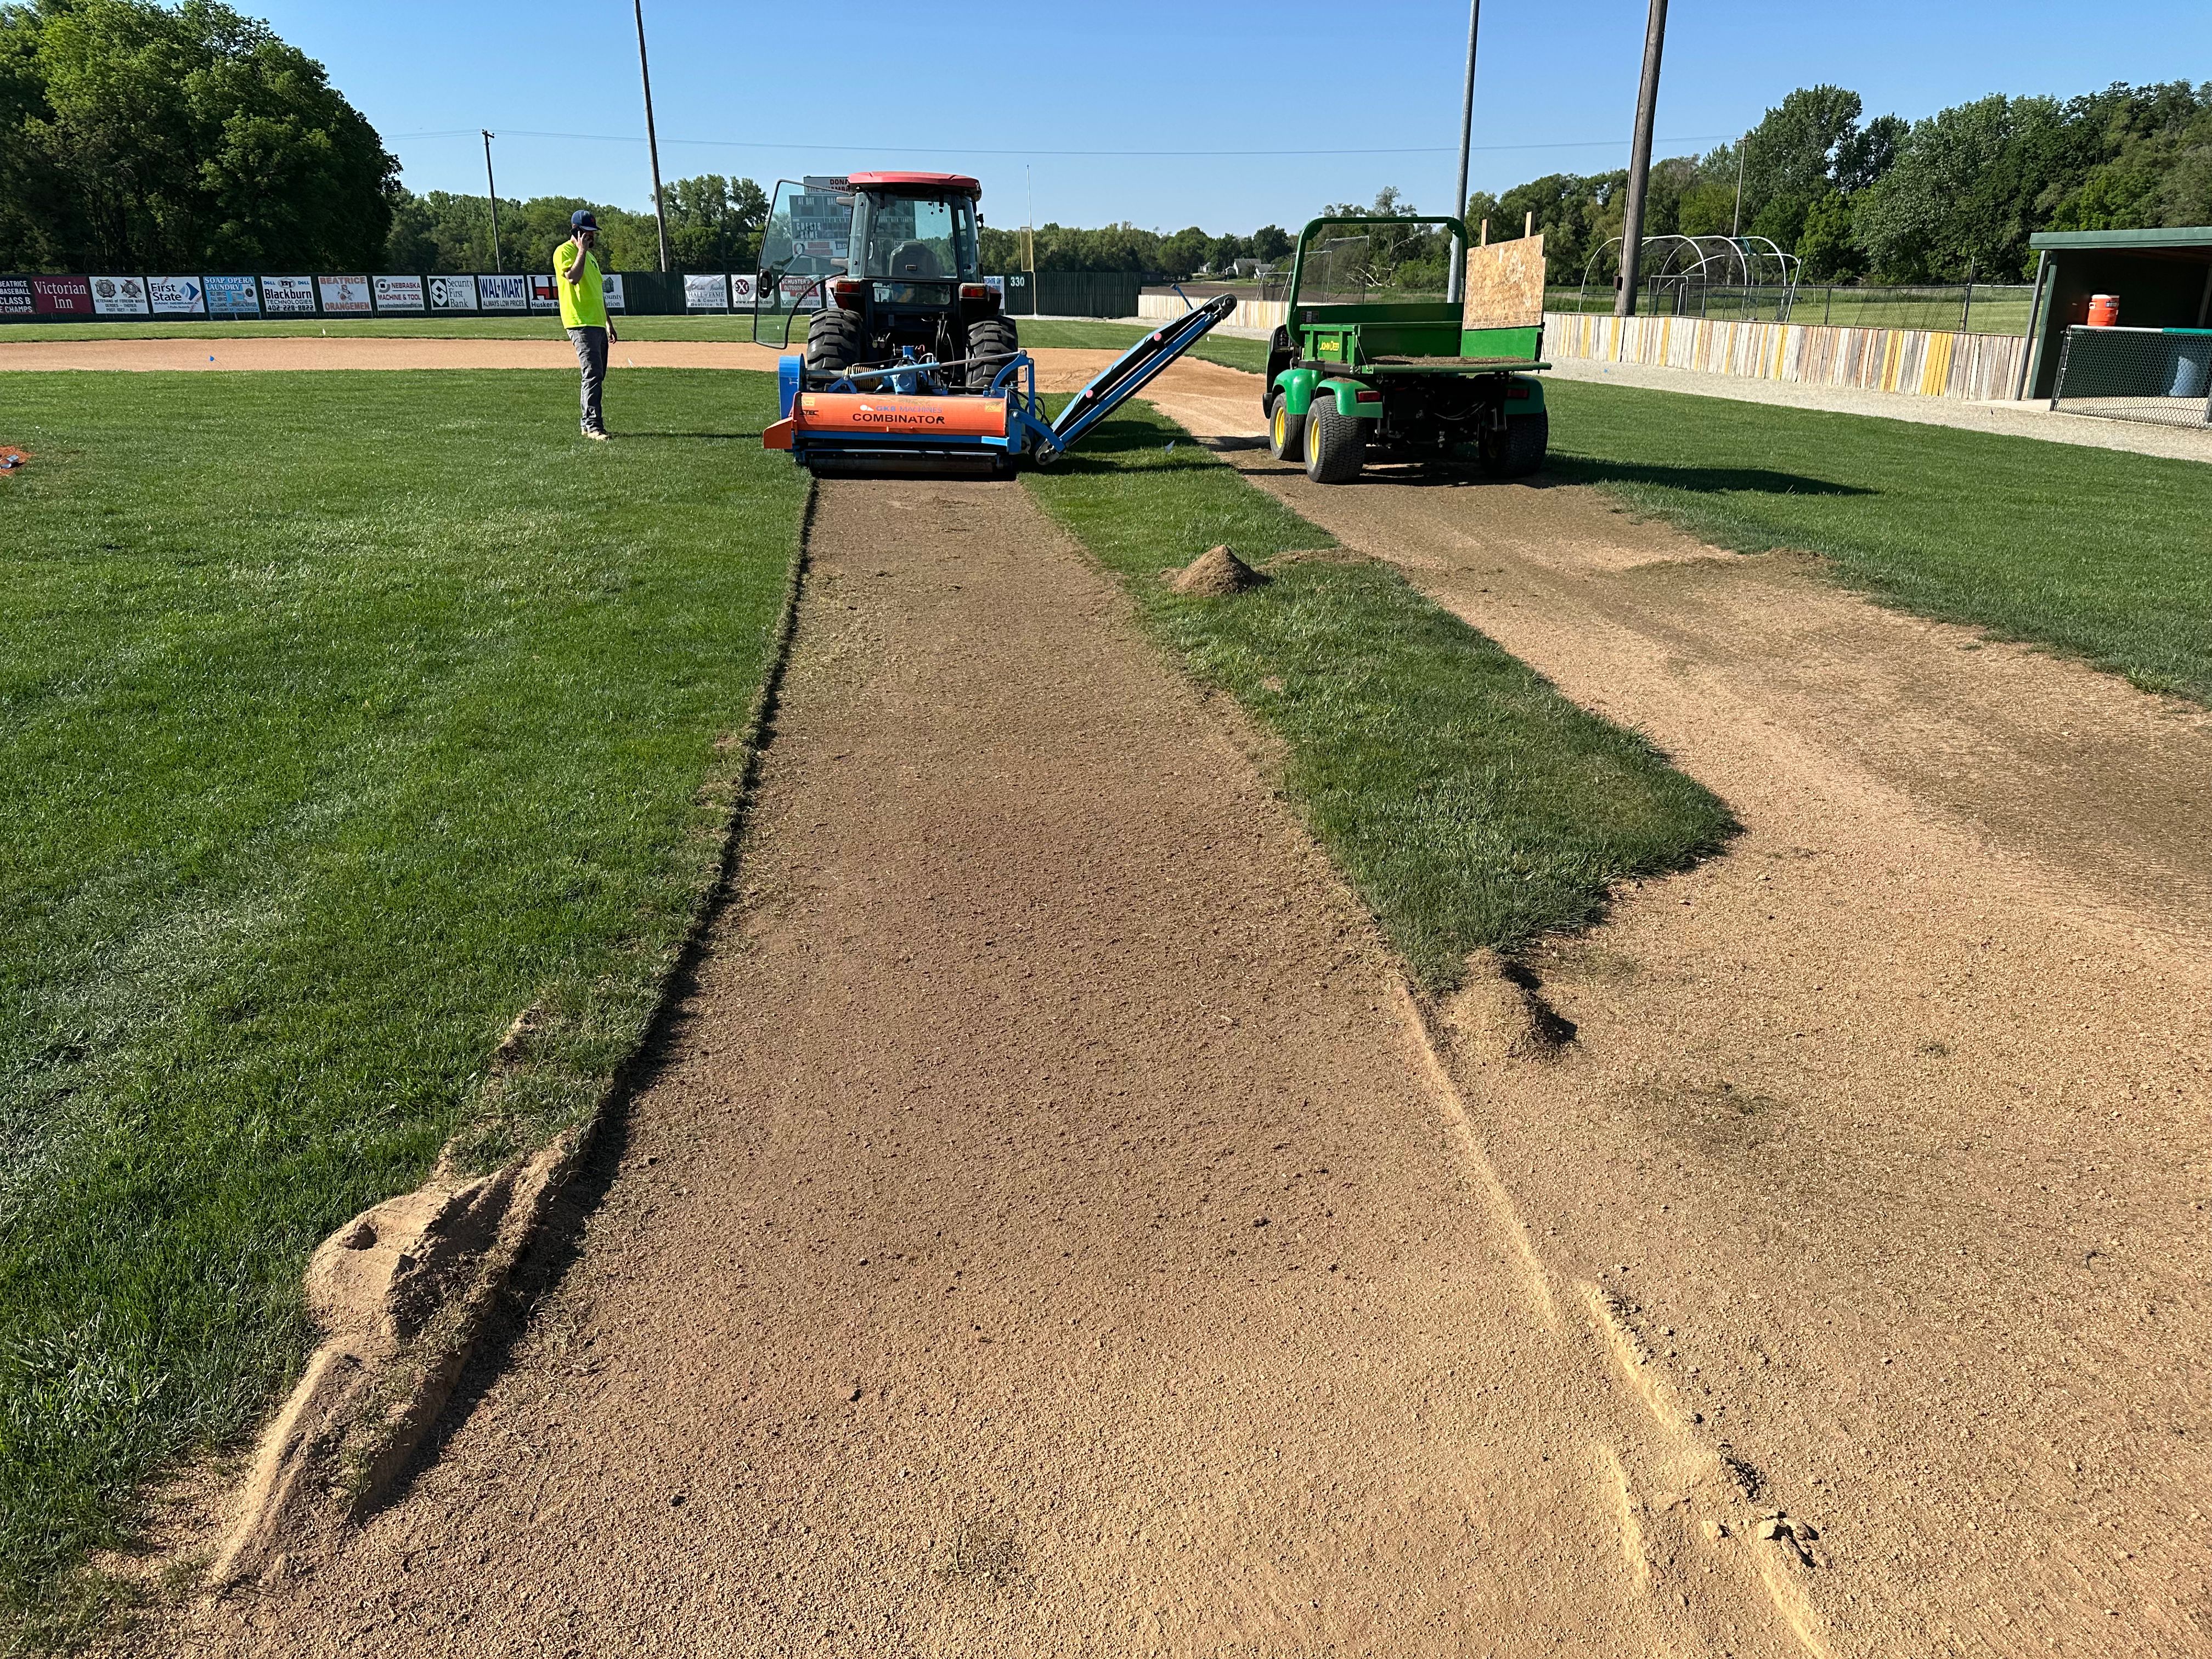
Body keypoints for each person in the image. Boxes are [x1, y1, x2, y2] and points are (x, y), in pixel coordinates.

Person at [555, 209, 617, 441]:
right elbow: (573, 277)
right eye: (588, 233)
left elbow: (598, 294)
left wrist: (608, 323)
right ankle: (594, 427)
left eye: (593, 233)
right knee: (592, 373)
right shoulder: (565, 251)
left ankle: (586, 423)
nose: (592, 237)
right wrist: (581, 250)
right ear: (577, 232)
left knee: (597, 375)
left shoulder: (591, 257)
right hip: (580, 322)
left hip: (597, 322)